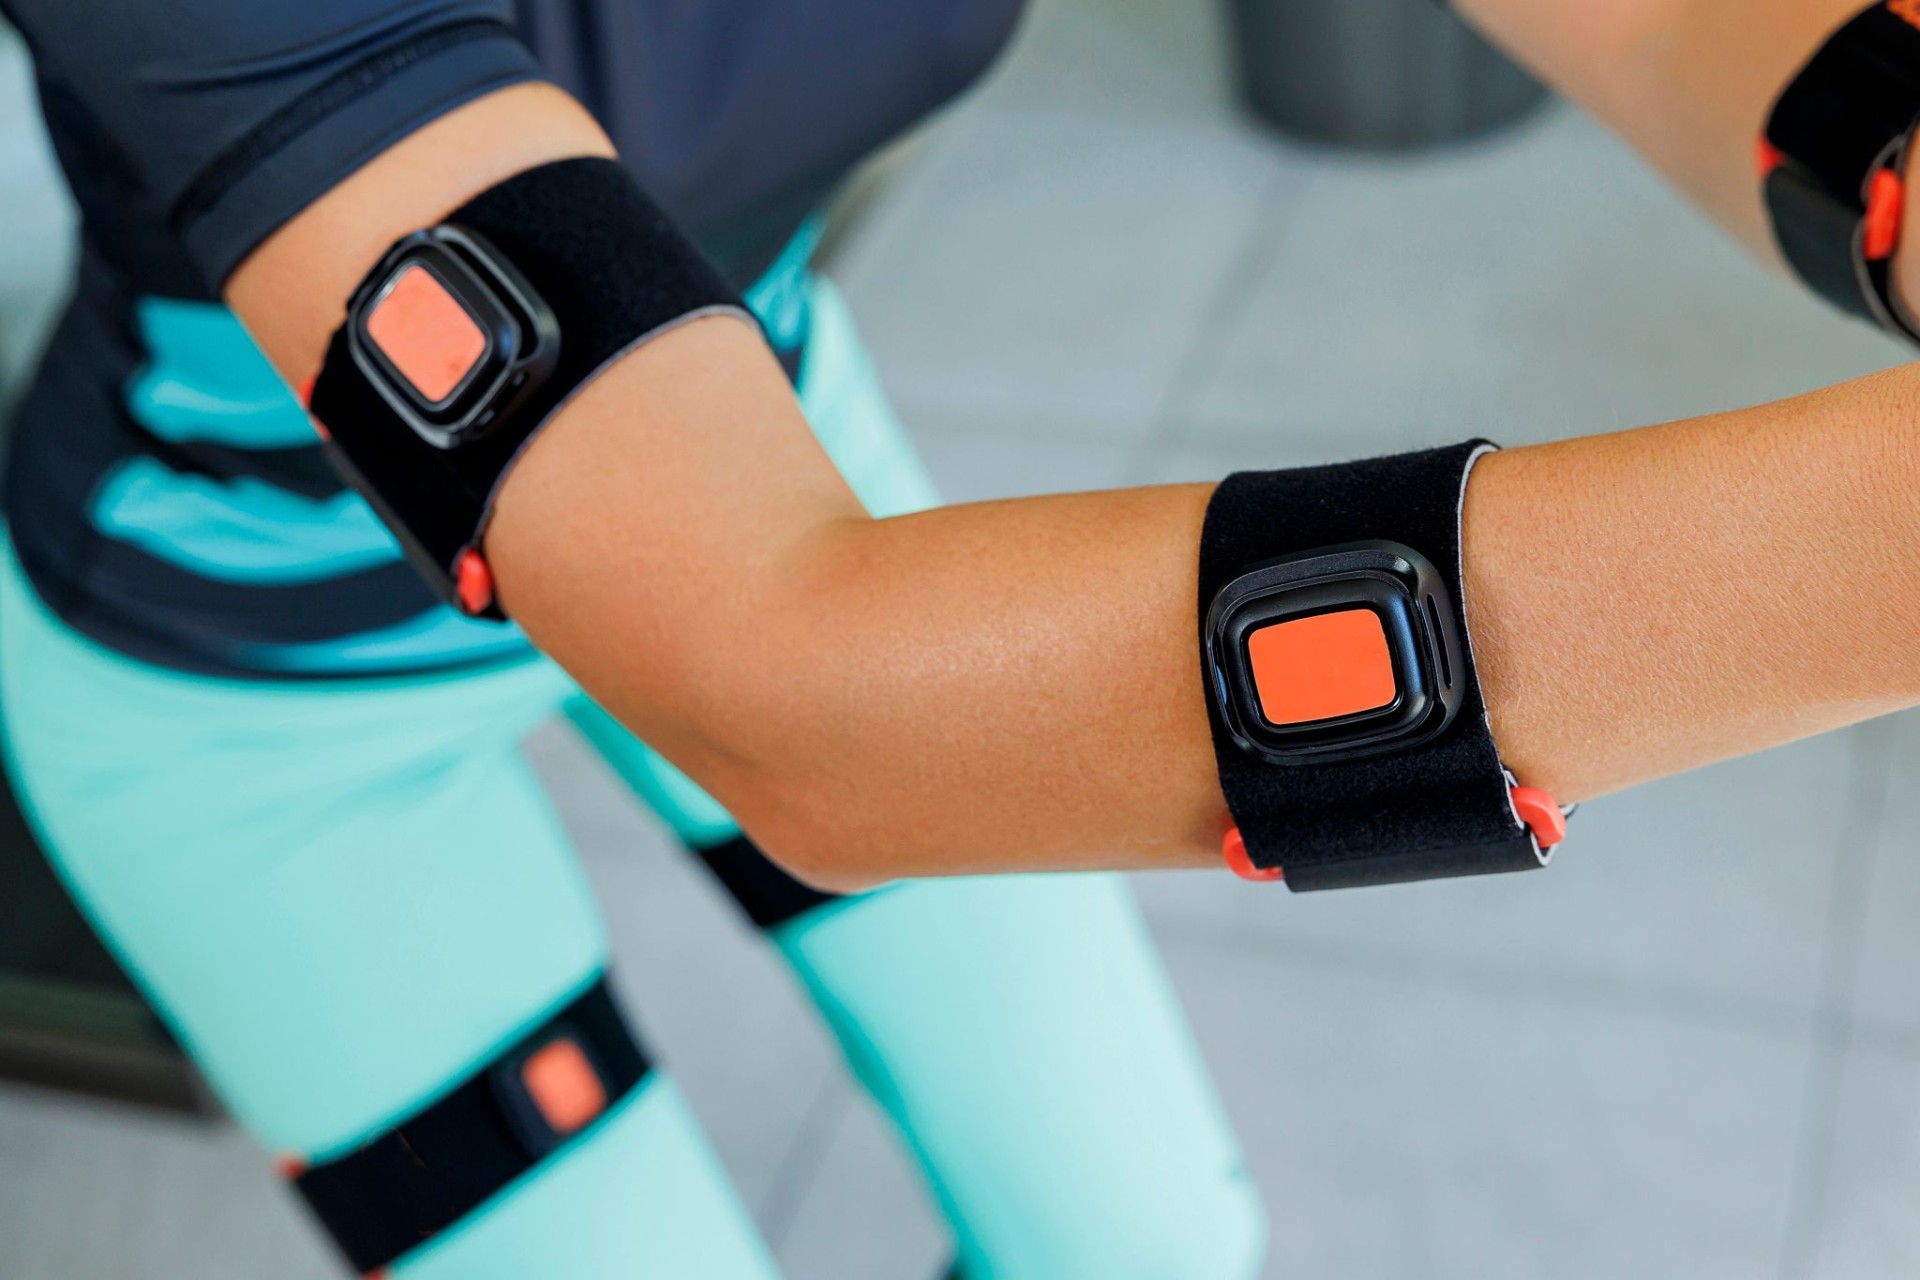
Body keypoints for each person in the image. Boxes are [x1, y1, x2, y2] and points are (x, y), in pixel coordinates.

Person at [0, 0, 1914, 1275]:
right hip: (261, 704)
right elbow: (789, 694)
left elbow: (1660, 18)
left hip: (772, 435)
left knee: (1147, 1241)